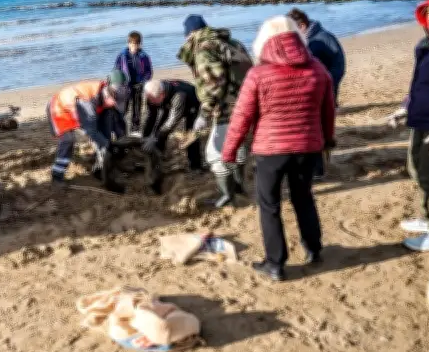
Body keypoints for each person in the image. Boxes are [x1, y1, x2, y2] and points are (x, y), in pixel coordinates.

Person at [222, 15, 336, 281]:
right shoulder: (317, 68)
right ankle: (313, 249)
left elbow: (242, 117)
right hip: (308, 147)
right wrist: (328, 140)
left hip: (271, 151)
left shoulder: (259, 74)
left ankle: (275, 264)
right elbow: (328, 110)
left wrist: (230, 151)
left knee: (269, 206)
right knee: (303, 197)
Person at [176, 14, 253, 208]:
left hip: (227, 108)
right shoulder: (232, 43)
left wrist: (204, 113)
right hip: (247, 103)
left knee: (215, 153)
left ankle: (227, 196)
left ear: (191, 34)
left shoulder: (204, 49)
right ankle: (239, 185)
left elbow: (214, 85)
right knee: (239, 145)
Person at [397, 0, 429, 252]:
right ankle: (428, 219)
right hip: (421, 119)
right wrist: (404, 106)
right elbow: (420, 84)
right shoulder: (426, 45)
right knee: (417, 170)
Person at [47, 71, 129, 184]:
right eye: (114, 103)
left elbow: (116, 121)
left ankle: (100, 163)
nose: (115, 106)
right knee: (68, 140)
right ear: (108, 97)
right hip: (60, 108)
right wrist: (108, 145)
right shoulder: (88, 106)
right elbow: (92, 132)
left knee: (108, 120)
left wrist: (117, 142)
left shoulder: (111, 90)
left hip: (85, 108)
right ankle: (57, 175)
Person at [286, 8, 346, 107]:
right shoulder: (309, 36)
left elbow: (338, 63)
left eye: (291, 29)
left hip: (331, 74)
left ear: (302, 26)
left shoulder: (320, 39)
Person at [140, 79, 202, 171]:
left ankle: (195, 165)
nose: (152, 103)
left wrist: (155, 138)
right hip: (168, 103)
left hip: (192, 104)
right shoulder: (151, 93)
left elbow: (172, 122)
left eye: (154, 101)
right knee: (159, 129)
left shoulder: (179, 96)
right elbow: (151, 117)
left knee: (191, 134)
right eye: (151, 100)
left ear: (162, 95)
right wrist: (145, 138)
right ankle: (156, 157)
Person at [114, 31, 153, 135]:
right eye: (132, 43)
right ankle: (120, 129)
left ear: (140, 44)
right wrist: (118, 83)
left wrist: (144, 81)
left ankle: (135, 129)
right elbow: (116, 71)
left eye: (137, 44)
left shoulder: (144, 56)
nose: (134, 46)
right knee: (123, 108)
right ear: (128, 43)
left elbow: (149, 71)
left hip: (138, 85)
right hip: (125, 86)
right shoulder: (122, 56)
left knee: (137, 109)